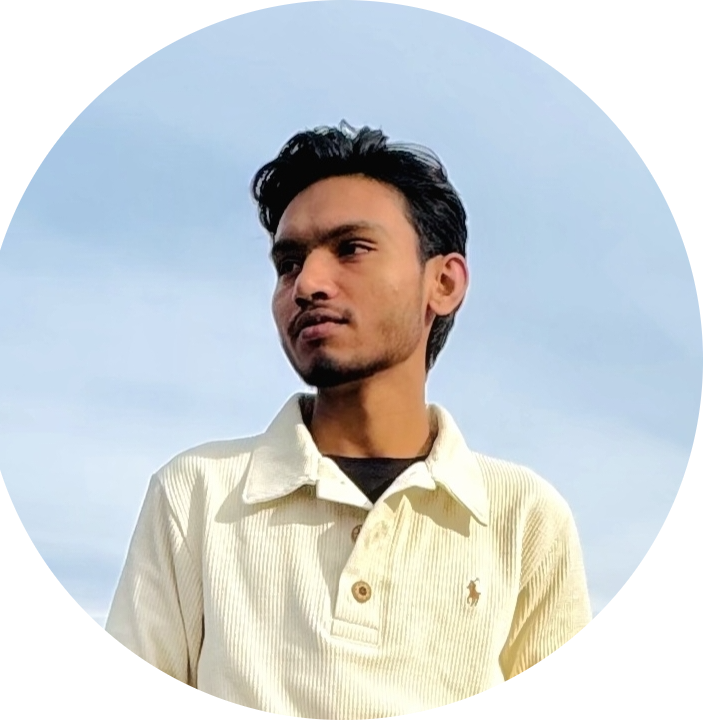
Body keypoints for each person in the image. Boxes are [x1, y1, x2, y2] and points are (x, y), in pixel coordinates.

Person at [105, 122, 591, 715]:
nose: (306, 284)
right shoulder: (197, 495)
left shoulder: (523, 516)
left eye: (351, 248)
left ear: (443, 282)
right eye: (288, 263)